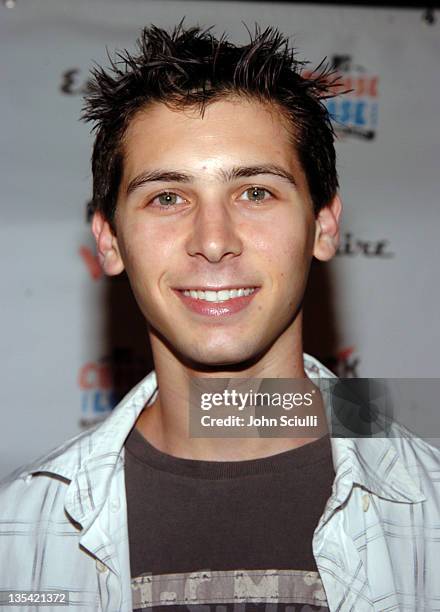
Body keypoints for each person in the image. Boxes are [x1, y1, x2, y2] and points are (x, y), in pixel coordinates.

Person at [0, 22, 439, 612]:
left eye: (256, 192)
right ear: (109, 242)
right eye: (167, 197)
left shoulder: (432, 502)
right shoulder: (17, 532)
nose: (212, 241)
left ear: (324, 226)